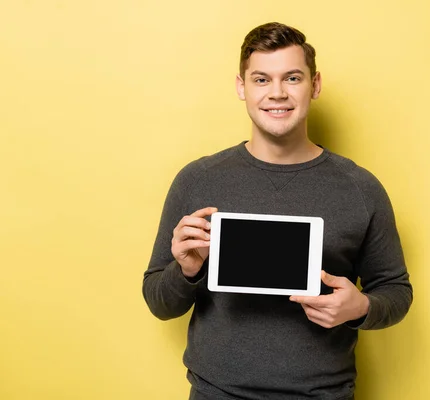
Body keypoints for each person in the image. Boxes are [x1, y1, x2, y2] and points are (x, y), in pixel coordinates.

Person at [142, 22, 413, 400]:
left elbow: (396, 290)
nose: (278, 93)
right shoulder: (198, 180)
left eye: (292, 78)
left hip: (322, 394)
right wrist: (186, 269)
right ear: (242, 87)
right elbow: (158, 301)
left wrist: (361, 306)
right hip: (216, 393)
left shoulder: (361, 188)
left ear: (314, 85)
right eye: (261, 80)